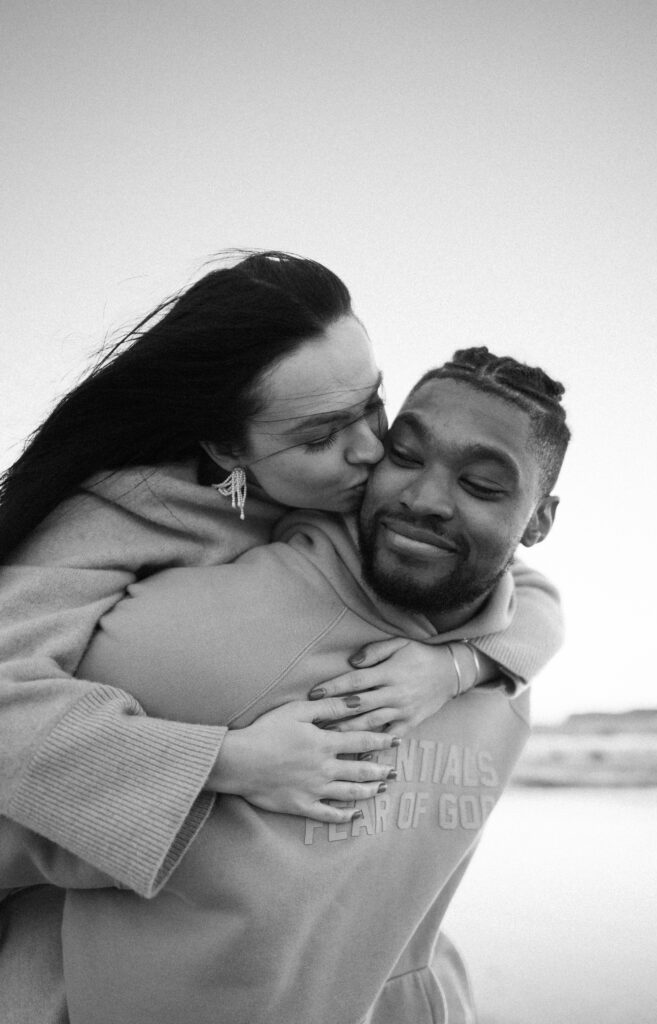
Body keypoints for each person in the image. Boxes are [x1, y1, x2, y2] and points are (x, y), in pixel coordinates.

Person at [30, 346, 571, 1024]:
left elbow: (388, 905)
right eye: (404, 456)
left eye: (483, 486)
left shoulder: (503, 684)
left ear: (539, 521)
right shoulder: (207, 628)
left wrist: (462, 667)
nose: (425, 499)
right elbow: (25, 788)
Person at [0, 252, 560, 895]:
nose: (372, 449)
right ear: (228, 448)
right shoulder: (132, 509)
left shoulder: (375, 493)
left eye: (372, 405)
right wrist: (230, 762)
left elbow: (529, 588)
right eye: (321, 435)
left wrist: (453, 669)